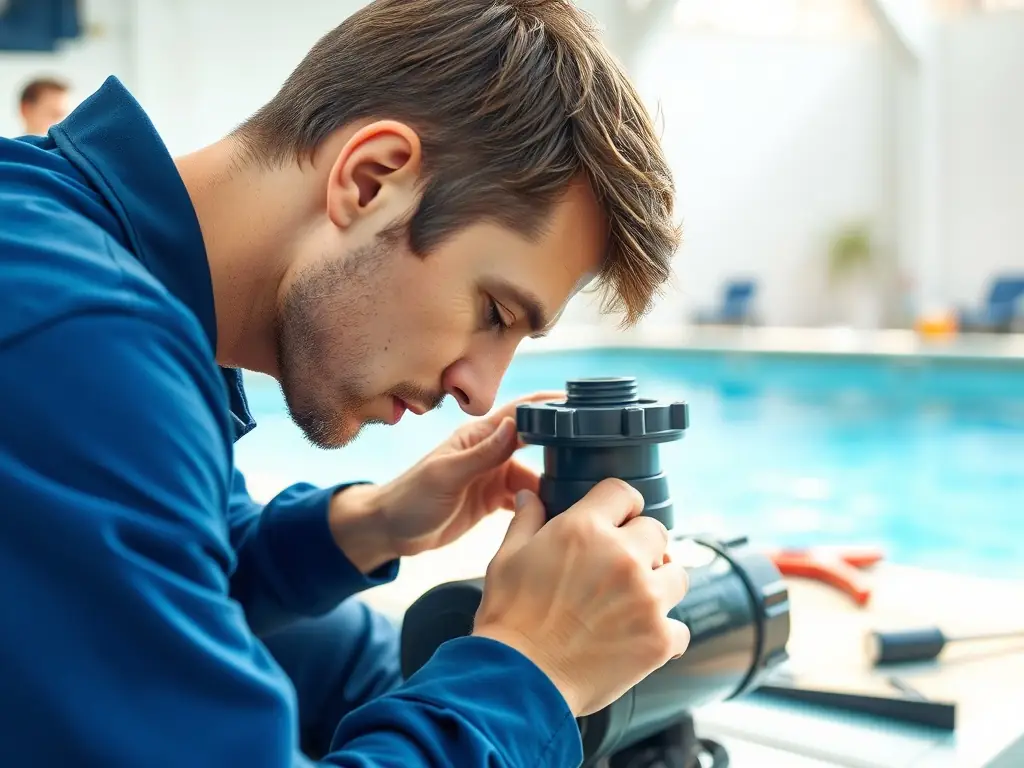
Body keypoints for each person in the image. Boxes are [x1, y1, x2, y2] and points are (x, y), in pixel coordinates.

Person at [0, 1, 688, 766]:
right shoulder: (79, 342)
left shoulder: (72, 249)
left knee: (349, 650)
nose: (481, 391)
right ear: (372, 180)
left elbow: (135, 577)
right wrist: (537, 672)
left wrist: (375, 522)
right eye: (493, 312)